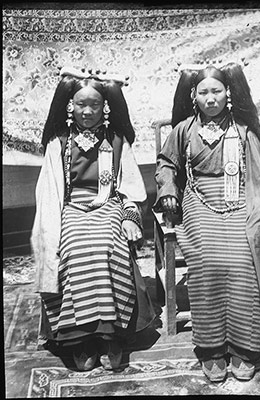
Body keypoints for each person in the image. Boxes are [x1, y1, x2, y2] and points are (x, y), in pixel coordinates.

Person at [153, 62, 260, 382]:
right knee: (208, 262)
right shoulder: (183, 129)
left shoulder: (243, 131)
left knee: (242, 260)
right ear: (194, 96)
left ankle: (244, 347)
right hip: (199, 201)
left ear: (228, 94)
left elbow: (258, 177)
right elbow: (166, 165)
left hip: (240, 201)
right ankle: (210, 349)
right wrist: (169, 190)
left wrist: (257, 209)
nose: (211, 99)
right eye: (204, 92)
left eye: (218, 91)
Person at [31, 66, 155, 372]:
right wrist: (53, 228)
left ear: (105, 107)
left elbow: (131, 188)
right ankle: (79, 338)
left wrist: (129, 216)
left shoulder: (115, 140)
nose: (88, 111)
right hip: (71, 208)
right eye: (81, 104)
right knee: (74, 248)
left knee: (106, 246)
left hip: (108, 205)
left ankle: (111, 335)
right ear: (70, 105)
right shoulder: (59, 142)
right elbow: (50, 192)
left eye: (95, 105)